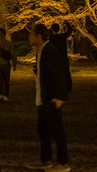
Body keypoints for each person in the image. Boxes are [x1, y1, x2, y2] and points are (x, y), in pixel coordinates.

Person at [28, 23, 70, 172]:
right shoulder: (40, 51)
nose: (29, 37)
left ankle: (63, 163)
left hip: (51, 98)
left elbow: (59, 74)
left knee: (57, 131)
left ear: (39, 36)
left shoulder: (50, 51)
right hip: (42, 98)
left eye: (31, 34)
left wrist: (60, 97)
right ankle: (46, 160)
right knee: (43, 130)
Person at [0, 27, 17, 101]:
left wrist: (14, 64)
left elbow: (13, 54)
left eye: (2, 34)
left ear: (4, 35)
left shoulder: (9, 44)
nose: (0, 36)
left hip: (6, 63)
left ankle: (5, 93)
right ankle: (0, 93)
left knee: (6, 79)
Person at [49, 23, 73, 93]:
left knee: (55, 74)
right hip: (63, 58)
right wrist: (67, 23)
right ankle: (68, 87)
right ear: (59, 29)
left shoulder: (50, 38)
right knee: (66, 73)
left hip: (54, 59)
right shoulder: (62, 36)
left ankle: (55, 88)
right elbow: (69, 31)